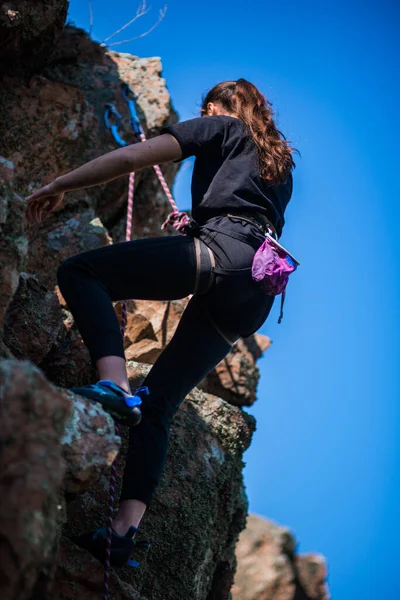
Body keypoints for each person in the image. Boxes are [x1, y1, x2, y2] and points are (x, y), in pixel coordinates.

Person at [26, 79, 296, 567]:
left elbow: (136, 158)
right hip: (256, 287)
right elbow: (248, 209)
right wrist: (196, 225)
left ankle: (112, 385)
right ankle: (122, 534)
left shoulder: (220, 126)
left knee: (82, 271)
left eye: (206, 108)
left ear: (216, 107)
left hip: (223, 253)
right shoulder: (279, 160)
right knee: (157, 406)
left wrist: (60, 183)